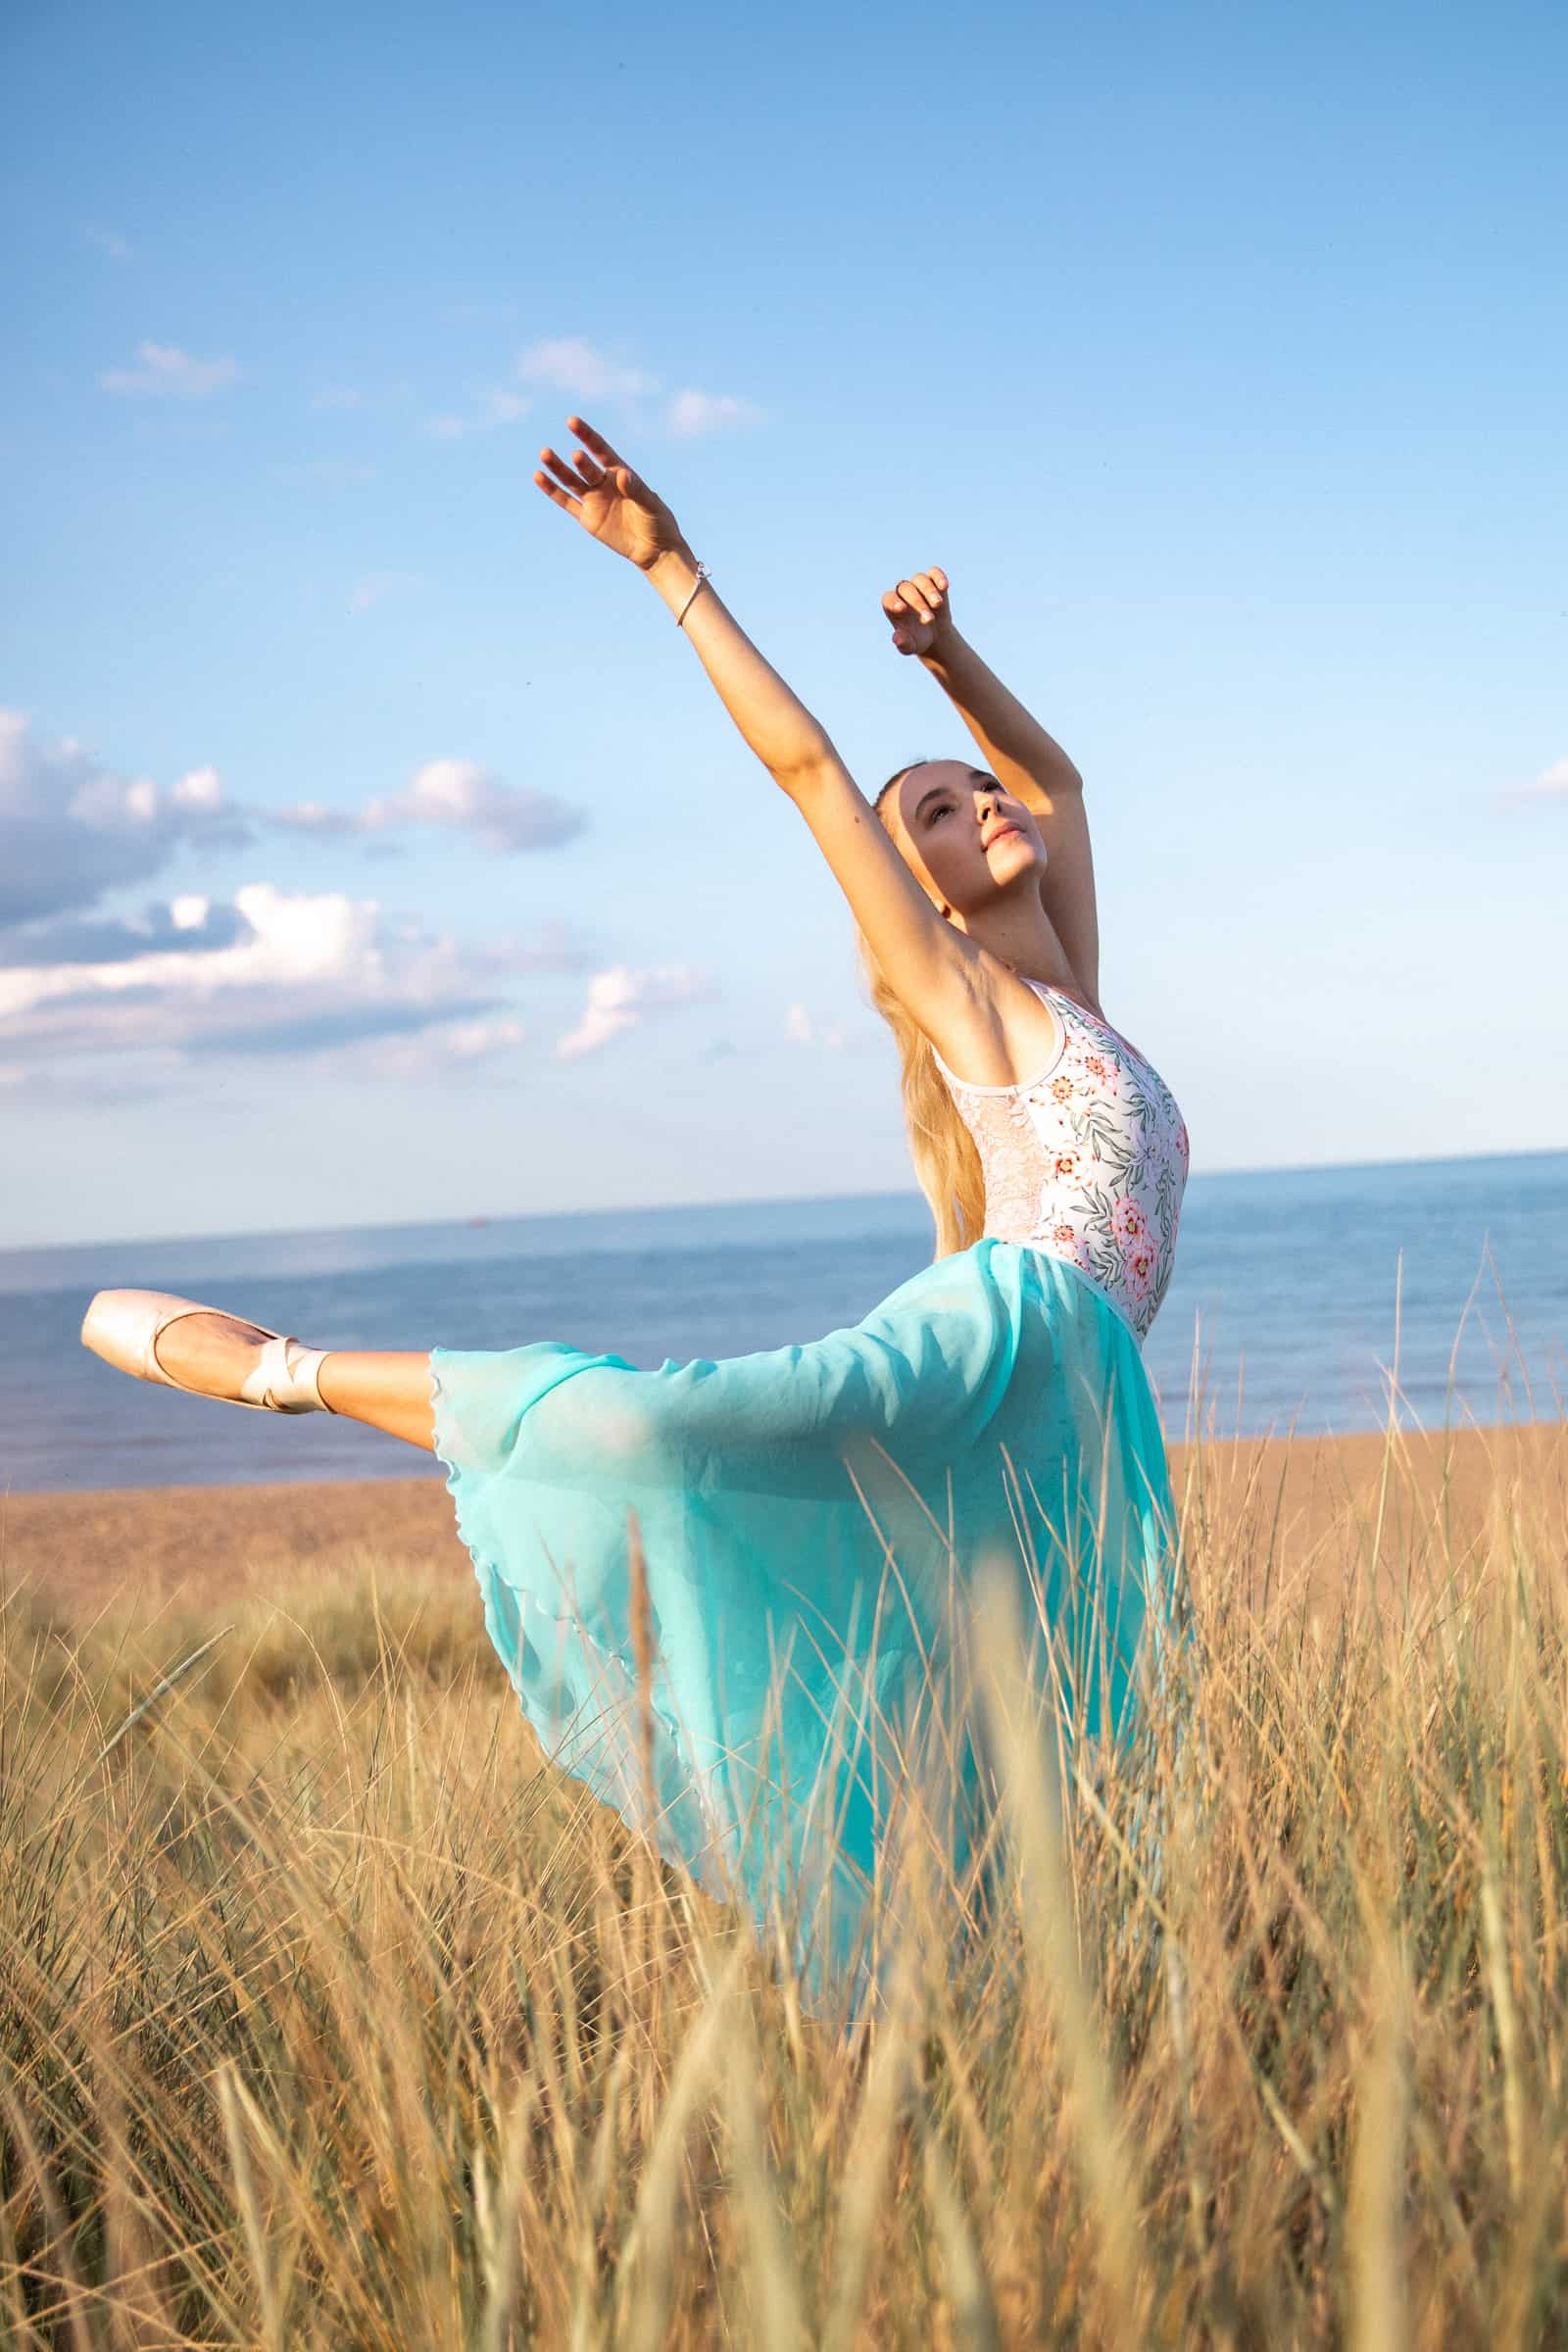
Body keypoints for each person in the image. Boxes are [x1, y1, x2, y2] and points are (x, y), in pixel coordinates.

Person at [81, 416, 1190, 2014]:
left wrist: (949, 660)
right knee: (658, 1430)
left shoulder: (1076, 986)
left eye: (970, 793)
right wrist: (673, 570)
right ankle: (284, 1368)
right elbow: (814, 771)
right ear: (923, 890)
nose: (979, 807)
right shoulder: (967, 1000)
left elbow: (1061, 776)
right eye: (940, 812)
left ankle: (973, 2010)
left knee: (1032, 1712)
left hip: (1083, 1402)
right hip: (999, 1329)